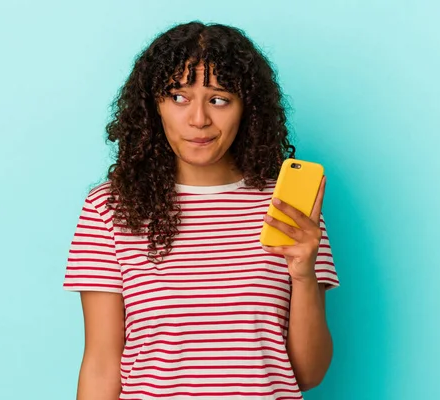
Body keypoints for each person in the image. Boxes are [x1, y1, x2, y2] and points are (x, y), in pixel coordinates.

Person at [63, 21, 339, 400]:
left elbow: (308, 374)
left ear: (247, 109)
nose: (198, 120)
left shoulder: (291, 208)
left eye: (219, 99)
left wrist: (305, 275)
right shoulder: (110, 208)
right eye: (178, 97)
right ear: (153, 105)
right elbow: (101, 364)